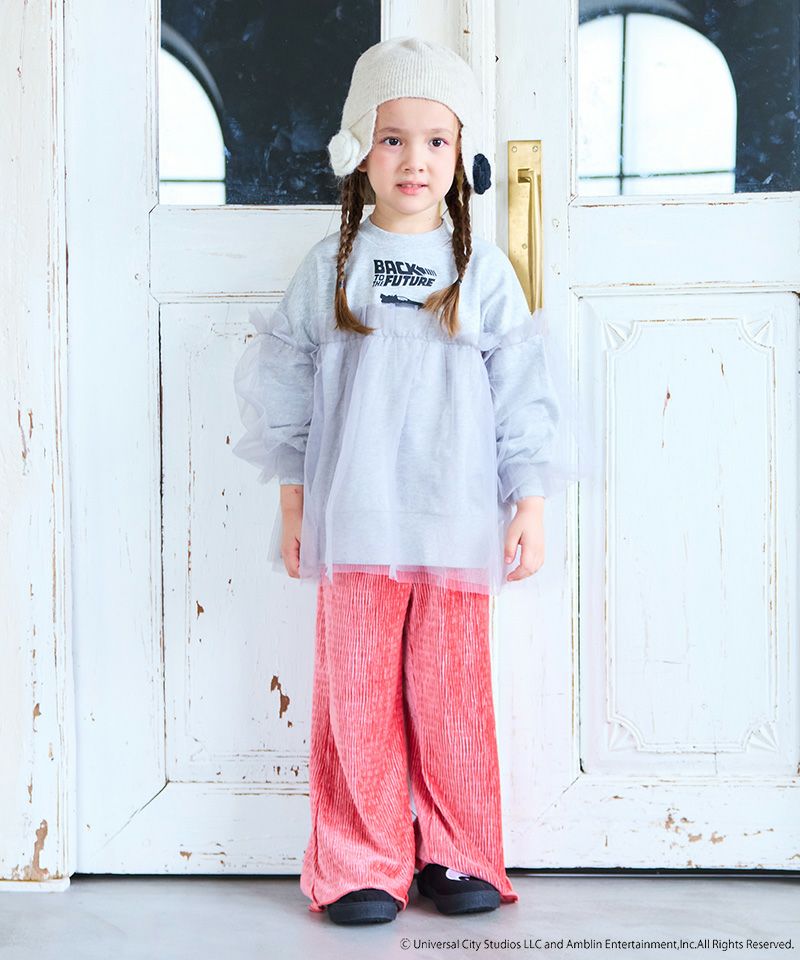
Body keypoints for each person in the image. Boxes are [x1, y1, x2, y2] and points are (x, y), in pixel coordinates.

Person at [232, 36, 587, 926]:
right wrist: (293, 502)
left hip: (456, 520)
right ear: (359, 149)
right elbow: (285, 383)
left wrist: (530, 499)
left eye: (436, 140)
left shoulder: (482, 271)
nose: (414, 160)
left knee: (450, 689)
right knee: (355, 693)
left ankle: (459, 852)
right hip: (354, 520)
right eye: (392, 138)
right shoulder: (332, 266)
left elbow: (523, 387)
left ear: (461, 155)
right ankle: (361, 861)